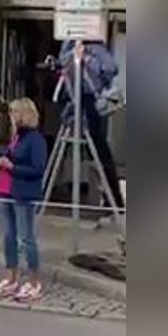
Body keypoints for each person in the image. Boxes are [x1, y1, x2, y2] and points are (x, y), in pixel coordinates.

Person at [58, 40, 125, 218]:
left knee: (100, 151)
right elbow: (63, 63)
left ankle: (113, 200)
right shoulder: (69, 43)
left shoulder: (98, 48)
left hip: (91, 100)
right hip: (73, 97)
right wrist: (73, 57)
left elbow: (111, 69)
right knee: (73, 146)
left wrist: (87, 59)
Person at [0, 98, 47, 303]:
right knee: (8, 237)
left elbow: (38, 169)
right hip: (5, 191)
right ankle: (11, 277)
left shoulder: (35, 139)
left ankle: (33, 282)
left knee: (26, 238)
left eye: (14, 112)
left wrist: (13, 167)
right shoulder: (15, 137)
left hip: (23, 194)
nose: (10, 116)